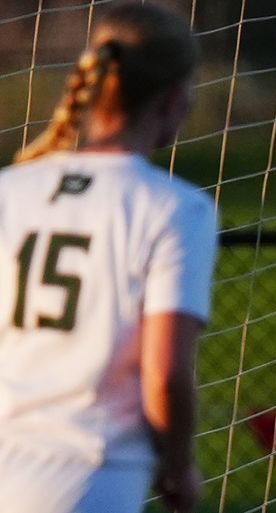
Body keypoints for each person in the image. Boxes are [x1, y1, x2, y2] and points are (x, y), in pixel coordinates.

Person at [0, 3, 215, 513]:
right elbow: (165, 375)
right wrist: (178, 465)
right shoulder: (175, 207)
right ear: (175, 99)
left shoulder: (11, 188)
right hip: (92, 475)